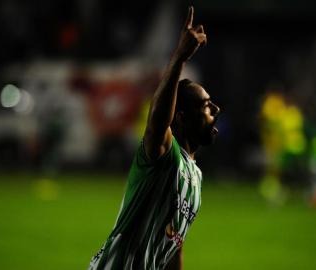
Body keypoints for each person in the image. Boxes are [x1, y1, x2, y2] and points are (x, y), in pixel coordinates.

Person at [88, 6, 220, 270]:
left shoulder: (195, 176)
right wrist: (180, 58)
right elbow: (158, 121)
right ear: (181, 117)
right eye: (206, 106)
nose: (215, 110)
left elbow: (173, 244)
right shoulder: (163, 156)